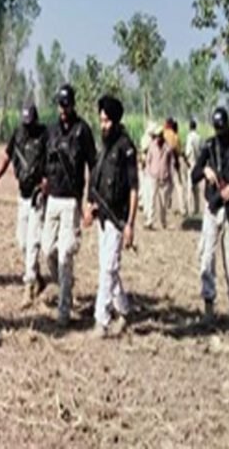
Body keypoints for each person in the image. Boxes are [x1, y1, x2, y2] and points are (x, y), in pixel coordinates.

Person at [39, 84, 98, 327]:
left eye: (66, 105)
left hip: (71, 201)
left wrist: (90, 201)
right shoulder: (51, 130)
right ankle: (66, 284)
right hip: (52, 199)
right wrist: (43, 181)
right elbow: (45, 160)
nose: (62, 109)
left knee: (65, 254)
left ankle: (64, 309)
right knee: (47, 250)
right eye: (60, 105)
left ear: (73, 105)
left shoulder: (82, 130)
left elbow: (93, 166)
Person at [83, 95, 139, 338]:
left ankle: (101, 321)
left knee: (107, 269)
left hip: (118, 219)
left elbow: (134, 188)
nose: (103, 125)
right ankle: (124, 310)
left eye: (106, 121)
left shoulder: (126, 148)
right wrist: (90, 206)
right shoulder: (104, 148)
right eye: (101, 120)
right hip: (102, 219)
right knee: (109, 269)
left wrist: (130, 225)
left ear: (115, 121)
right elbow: (95, 180)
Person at [190, 107, 229, 325]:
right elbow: (194, 174)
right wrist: (205, 171)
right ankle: (209, 307)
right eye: (217, 129)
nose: (220, 133)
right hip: (212, 209)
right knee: (207, 257)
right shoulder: (209, 146)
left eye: (223, 128)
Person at [0, 104, 47, 307]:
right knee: (22, 241)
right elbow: (7, 156)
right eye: (25, 123)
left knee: (33, 241)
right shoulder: (18, 134)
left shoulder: (44, 135)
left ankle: (28, 286)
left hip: (38, 196)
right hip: (22, 195)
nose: (27, 127)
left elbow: (52, 161)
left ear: (36, 120)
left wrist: (47, 181)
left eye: (30, 123)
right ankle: (37, 276)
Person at [143, 122, 173, 230]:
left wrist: (170, 178)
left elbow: (170, 163)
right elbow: (148, 160)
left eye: (159, 136)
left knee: (163, 203)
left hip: (164, 178)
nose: (158, 138)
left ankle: (163, 222)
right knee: (151, 200)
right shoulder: (152, 146)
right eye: (156, 136)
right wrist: (147, 173)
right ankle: (150, 221)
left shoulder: (167, 148)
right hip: (153, 176)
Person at [163, 117, 187, 216]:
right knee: (178, 186)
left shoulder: (163, 133)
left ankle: (164, 206)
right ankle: (183, 208)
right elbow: (179, 151)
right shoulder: (175, 136)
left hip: (163, 163)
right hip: (173, 163)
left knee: (166, 186)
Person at [183, 117, 204, 215]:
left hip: (191, 164)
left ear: (189, 127)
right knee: (197, 189)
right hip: (198, 164)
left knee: (189, 188)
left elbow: (187, 152)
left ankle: (189, 209)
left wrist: (186, 160)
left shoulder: (189, 137)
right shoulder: (199, 137)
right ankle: (197, 208)